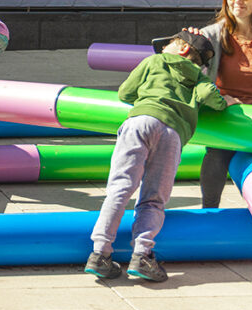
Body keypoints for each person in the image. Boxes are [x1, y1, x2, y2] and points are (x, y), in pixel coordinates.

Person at [84, 30, 228, 282]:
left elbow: (125, 93)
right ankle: (142, 255)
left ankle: (100, 253)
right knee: (153, 198)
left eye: (167, 45)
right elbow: (208, 97)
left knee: (120, 189)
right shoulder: (197, 76)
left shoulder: (152, 62)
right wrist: (226, 102)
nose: (161, 49)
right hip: (172, 133)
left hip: (140, 122)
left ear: (182, 48)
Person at [186, 0, 252, 208]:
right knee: (217, 157)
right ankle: (209, 212)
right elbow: (181, 64)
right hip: (225, 111)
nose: (237, 1)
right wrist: (191, 44)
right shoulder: (212, 35)